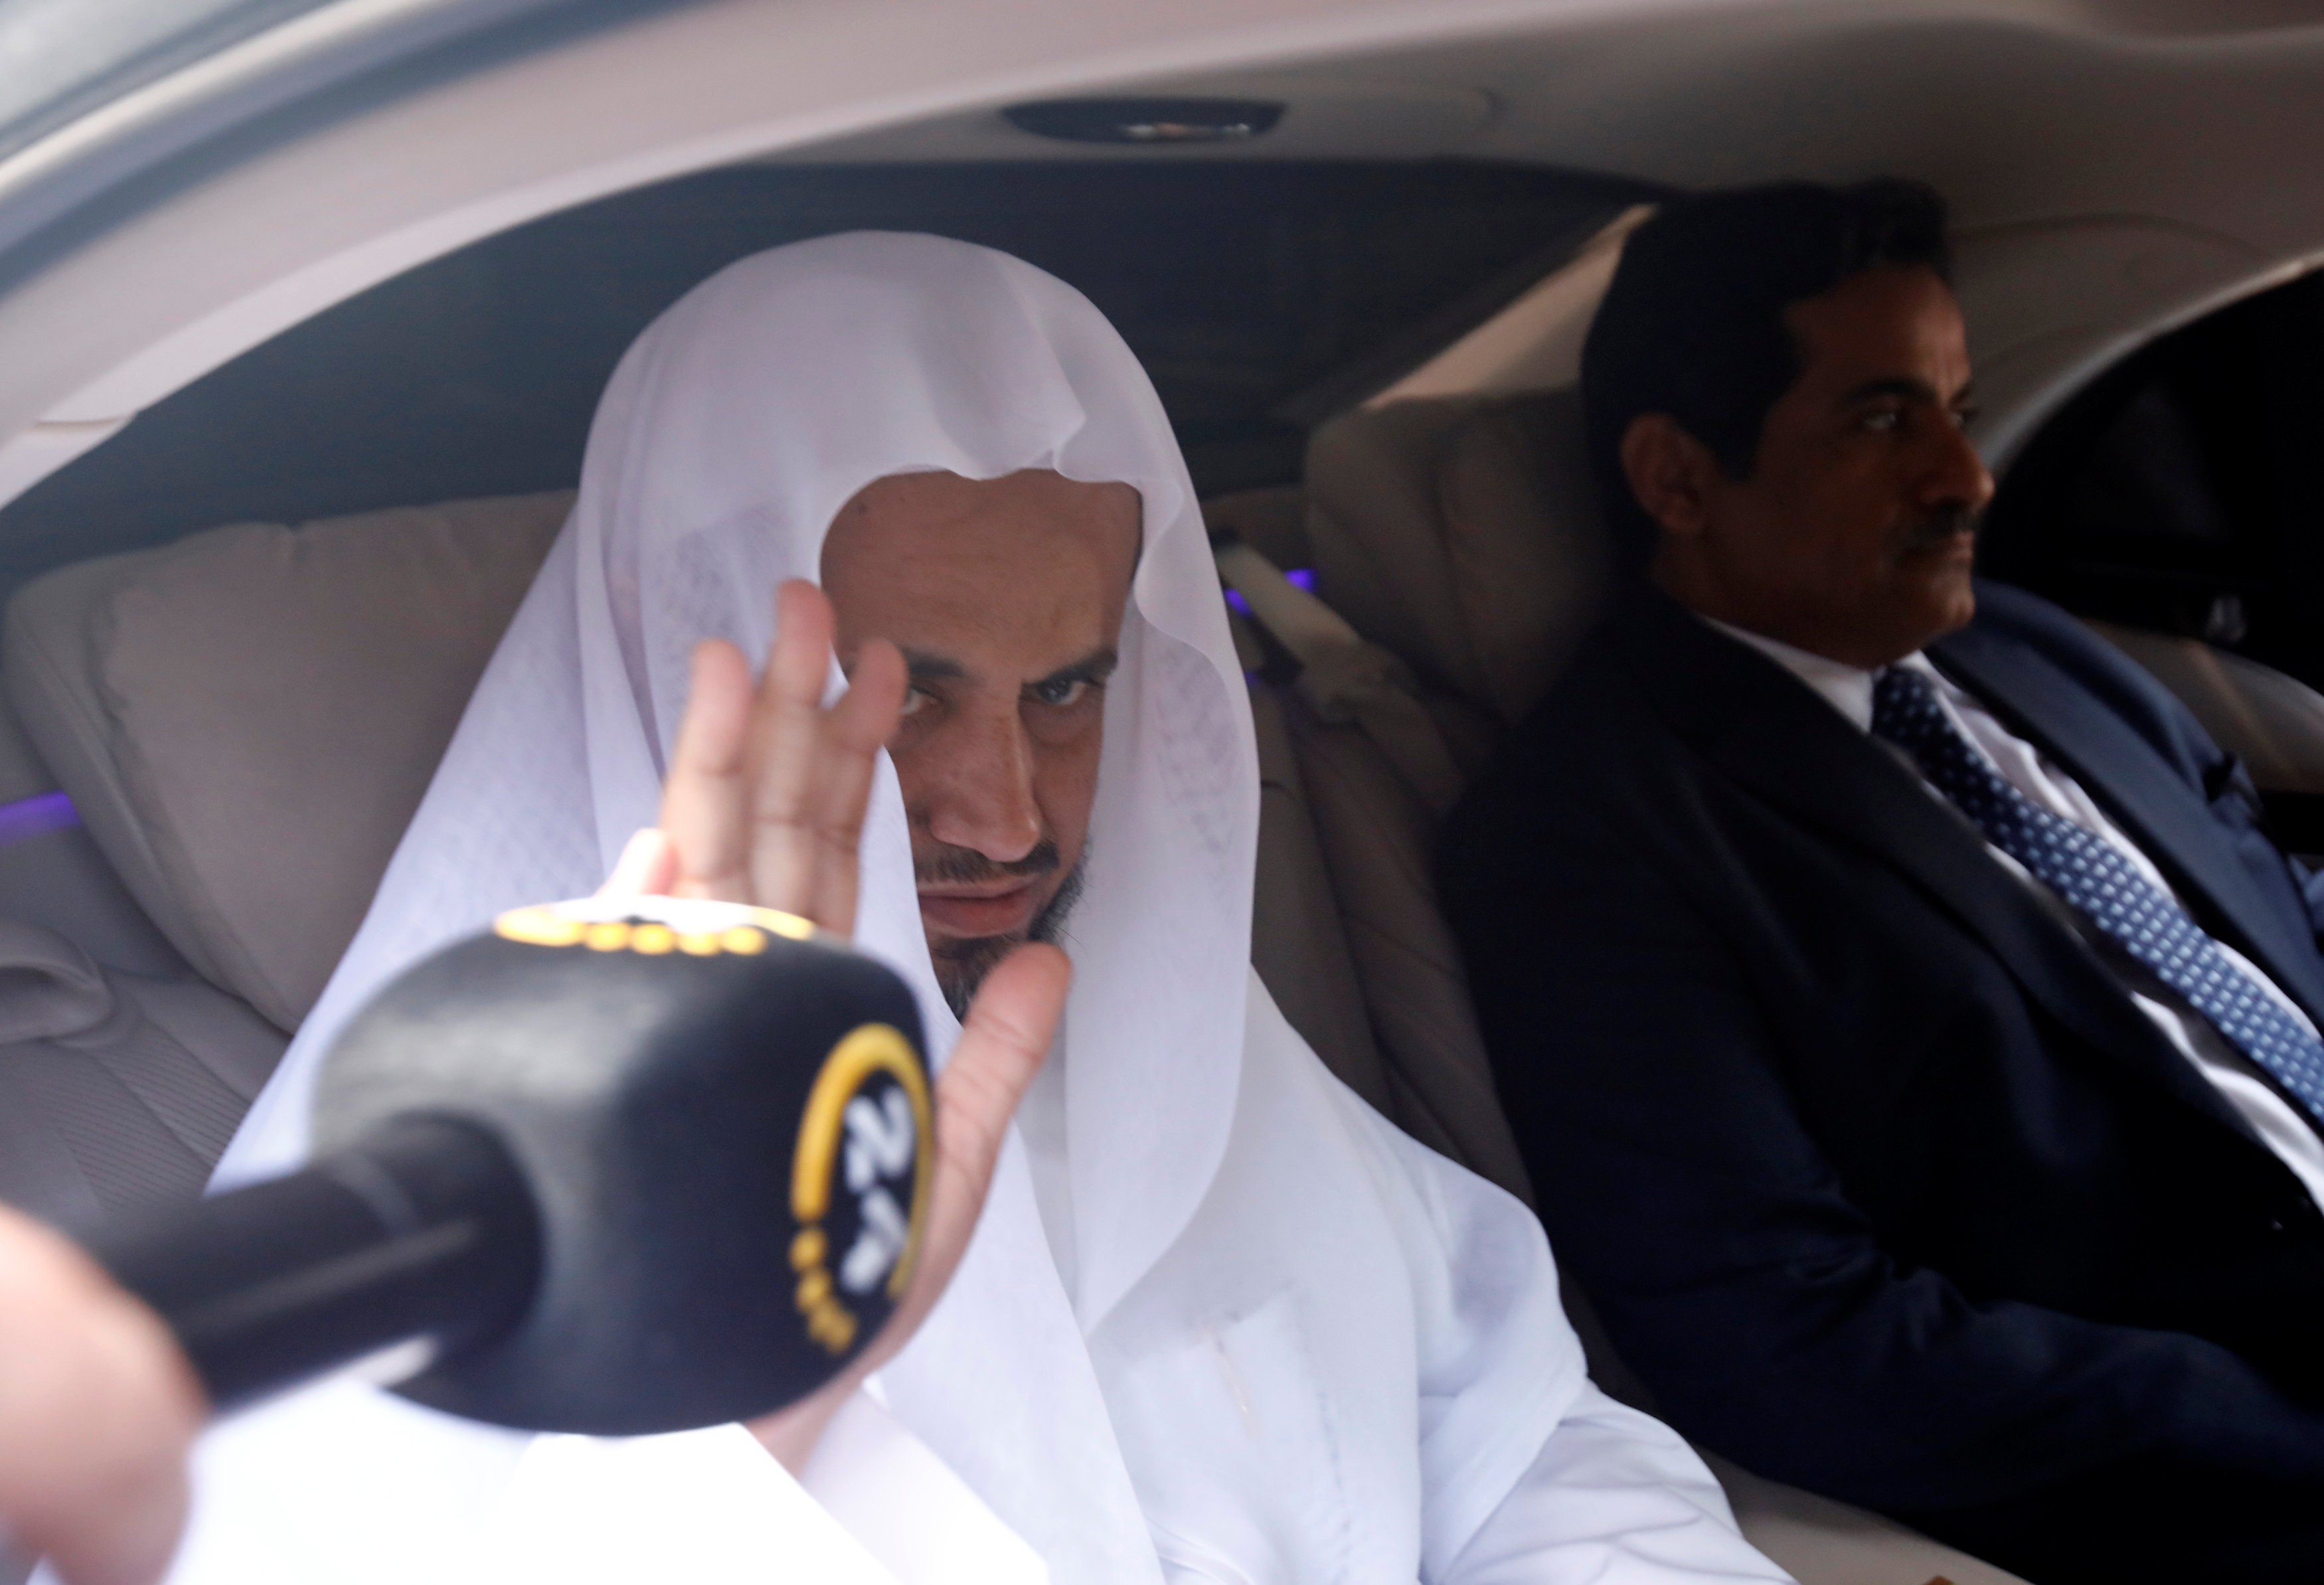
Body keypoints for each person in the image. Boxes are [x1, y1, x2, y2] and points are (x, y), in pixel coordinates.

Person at [128, 232, 1786, 1584]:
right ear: (685, 653)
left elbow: (1527, 1450)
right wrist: (741, 1388)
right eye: (900, 696)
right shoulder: (407, 1226)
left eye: (1064, 690)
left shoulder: (1192, 1047)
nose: (1007, 820)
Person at [1438, 179, 2324, 1584]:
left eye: (1959, 411)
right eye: (1880, 421)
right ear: (1676, 479)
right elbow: (1788, 1336)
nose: (1967, 478)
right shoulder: (1589, 838)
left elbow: (2265, 916)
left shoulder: (2031, 652)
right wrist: (2285, 1429)